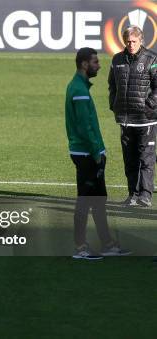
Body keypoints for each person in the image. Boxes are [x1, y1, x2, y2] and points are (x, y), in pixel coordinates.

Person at [65, 47, 131, 260]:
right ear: (84, 64)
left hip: (88, 151)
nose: (99, 65)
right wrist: (96, 153)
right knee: (85, 200)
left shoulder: (79, 86)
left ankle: (107, 244)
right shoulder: (80, 91)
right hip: (86, 154)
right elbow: (85, 126)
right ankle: (80, 247)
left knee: (99, 200)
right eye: (95, 62)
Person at [108, 25, 157, 207]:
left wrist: (149, 105)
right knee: (130, 161)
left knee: (146, 159)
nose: (130, 44)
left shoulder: (152, 58)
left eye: (134, 41)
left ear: (141, 40)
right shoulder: (117, 59)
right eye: (128, 41)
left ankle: (145, 195)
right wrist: (114, 104)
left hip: (146, 119)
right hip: (126, 120)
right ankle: (133, 195)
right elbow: (112, 85)